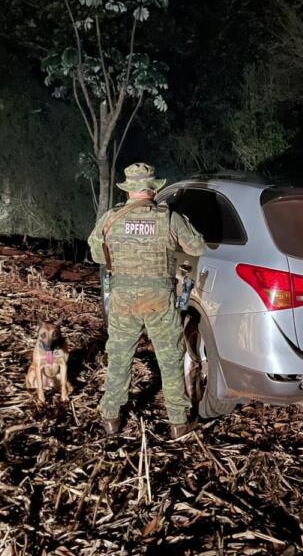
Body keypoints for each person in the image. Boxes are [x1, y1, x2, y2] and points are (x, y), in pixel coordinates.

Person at [87, 163, 205, 438]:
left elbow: (96, 255)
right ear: (153, 188)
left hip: (123, 299)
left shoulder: (110, 218)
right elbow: (197, 247)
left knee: (118, 356)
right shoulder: (168, 218)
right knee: (170, 357)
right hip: (159, 300)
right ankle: (178, 421)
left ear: (128, 189)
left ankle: (111, 418)